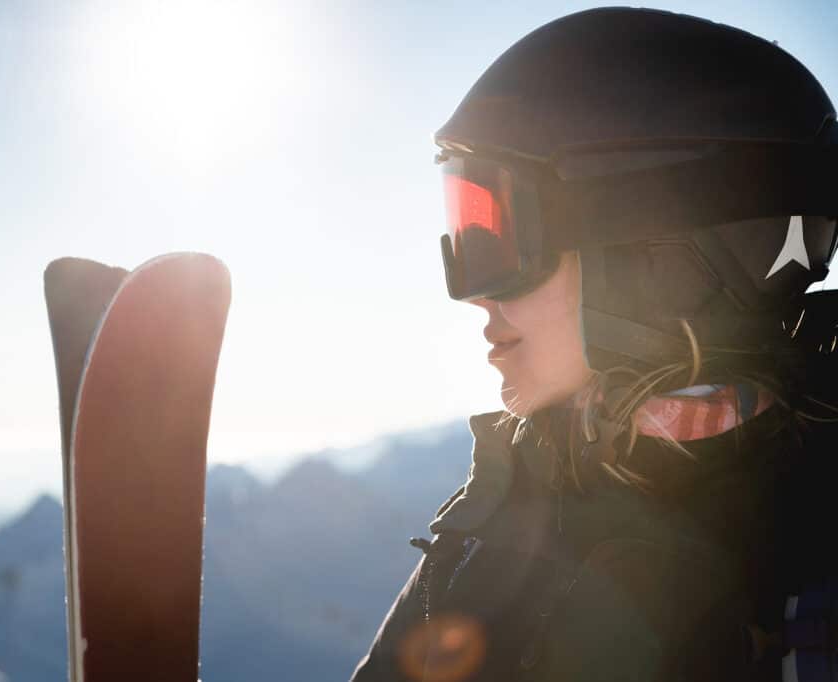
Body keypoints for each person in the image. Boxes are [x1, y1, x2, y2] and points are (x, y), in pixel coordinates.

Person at [351, 8, 838, 682]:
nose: (473, 295)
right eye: (466, 234)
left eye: (495, 238)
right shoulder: (519, 491)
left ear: (651, 255)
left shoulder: (804, 570)